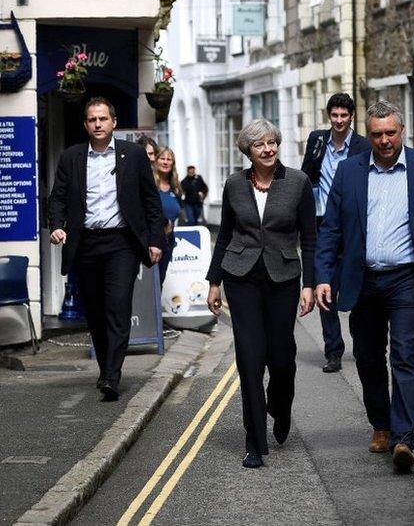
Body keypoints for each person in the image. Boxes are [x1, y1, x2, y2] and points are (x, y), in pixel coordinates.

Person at [315, 101, 414, 472]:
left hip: (407, 279)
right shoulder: (349, 171)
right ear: (369, 135)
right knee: (367, 358)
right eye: (377, 134)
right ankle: (380, 424)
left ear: (402, 131)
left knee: (405, 354)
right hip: (362, 279)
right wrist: (321, 276)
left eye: (390, 133)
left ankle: (403, 437)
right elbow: (331, 228)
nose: (384, 140)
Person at [206, 119, 317, 469]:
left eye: (272, 142)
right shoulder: (235, 185)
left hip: (283, 278)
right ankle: (254, 441)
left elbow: (310, 239)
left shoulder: (297, 182)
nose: (268, 149)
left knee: (281, 358)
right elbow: (225, 234)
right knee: (250, 360)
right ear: (248, 151)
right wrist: (214, 281)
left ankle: (280, 407)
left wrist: (310, 284)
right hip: (241, 279)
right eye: (259, 145)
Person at [48, 97, 163, 402]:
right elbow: (57, 197)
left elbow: (151, 201)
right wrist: (57, 225)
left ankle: (112, 375)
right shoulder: (71, 157)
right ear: (85, 124)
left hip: (121, 243)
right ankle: (105, 368)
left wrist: (154, 241)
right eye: (91, 120)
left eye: (102, 119)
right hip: (86, 243)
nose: (97, 124)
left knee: (118, 305)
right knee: (96, 312)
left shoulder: (133, 155)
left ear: (113, 122)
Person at [299, 92, 371, 373]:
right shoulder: (317, 140)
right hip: (320, 226)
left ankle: (362, 343)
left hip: (352, 227)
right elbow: (306, 175)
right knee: (324, 287)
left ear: (351, 117)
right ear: (328, 116)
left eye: (344, 116)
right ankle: (333, 352)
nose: (339, 121)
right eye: (334, 115)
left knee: (357, 291)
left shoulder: (363, 146)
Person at [154, 147, 182, 285]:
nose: (165, 162)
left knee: (160, 282)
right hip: (152, 243)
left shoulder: (175, 187)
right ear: (156, 161)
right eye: (162, 158)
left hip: (168, 241)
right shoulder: (150, 184)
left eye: (169, 159)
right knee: (150, 286)